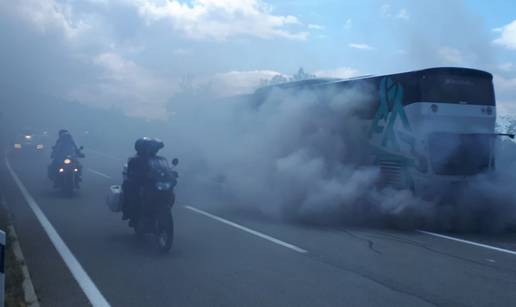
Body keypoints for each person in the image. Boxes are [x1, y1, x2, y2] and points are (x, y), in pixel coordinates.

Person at [122, 137, 164, 224]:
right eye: (151, 148)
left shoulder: (158, 160)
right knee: (131, 191)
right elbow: (130, 174)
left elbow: (163, 169)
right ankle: (132, 213)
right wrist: (137, 176)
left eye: (155, 148)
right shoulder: (134, 160)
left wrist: (171, 173)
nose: (153, 150)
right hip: (140, 184)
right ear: (142, 149)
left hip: (153, 184)